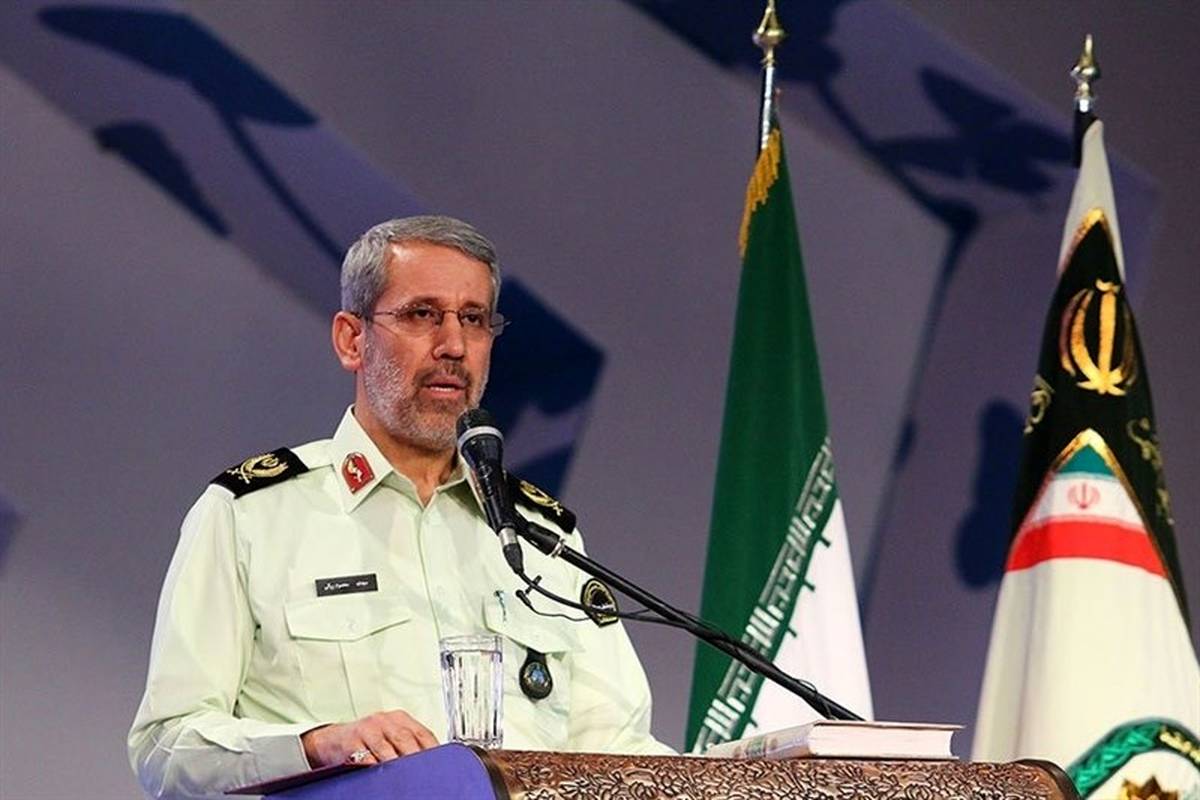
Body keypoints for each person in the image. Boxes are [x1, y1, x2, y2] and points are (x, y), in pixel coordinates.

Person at [128, 216, 670, 799]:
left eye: (473, 319)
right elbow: (166, 746)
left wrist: (731, 772)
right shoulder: (250, 516)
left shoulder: (541, 538)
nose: (454, 346)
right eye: (421, 315)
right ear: (351, 339)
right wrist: (318, 744)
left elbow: (619, 752)